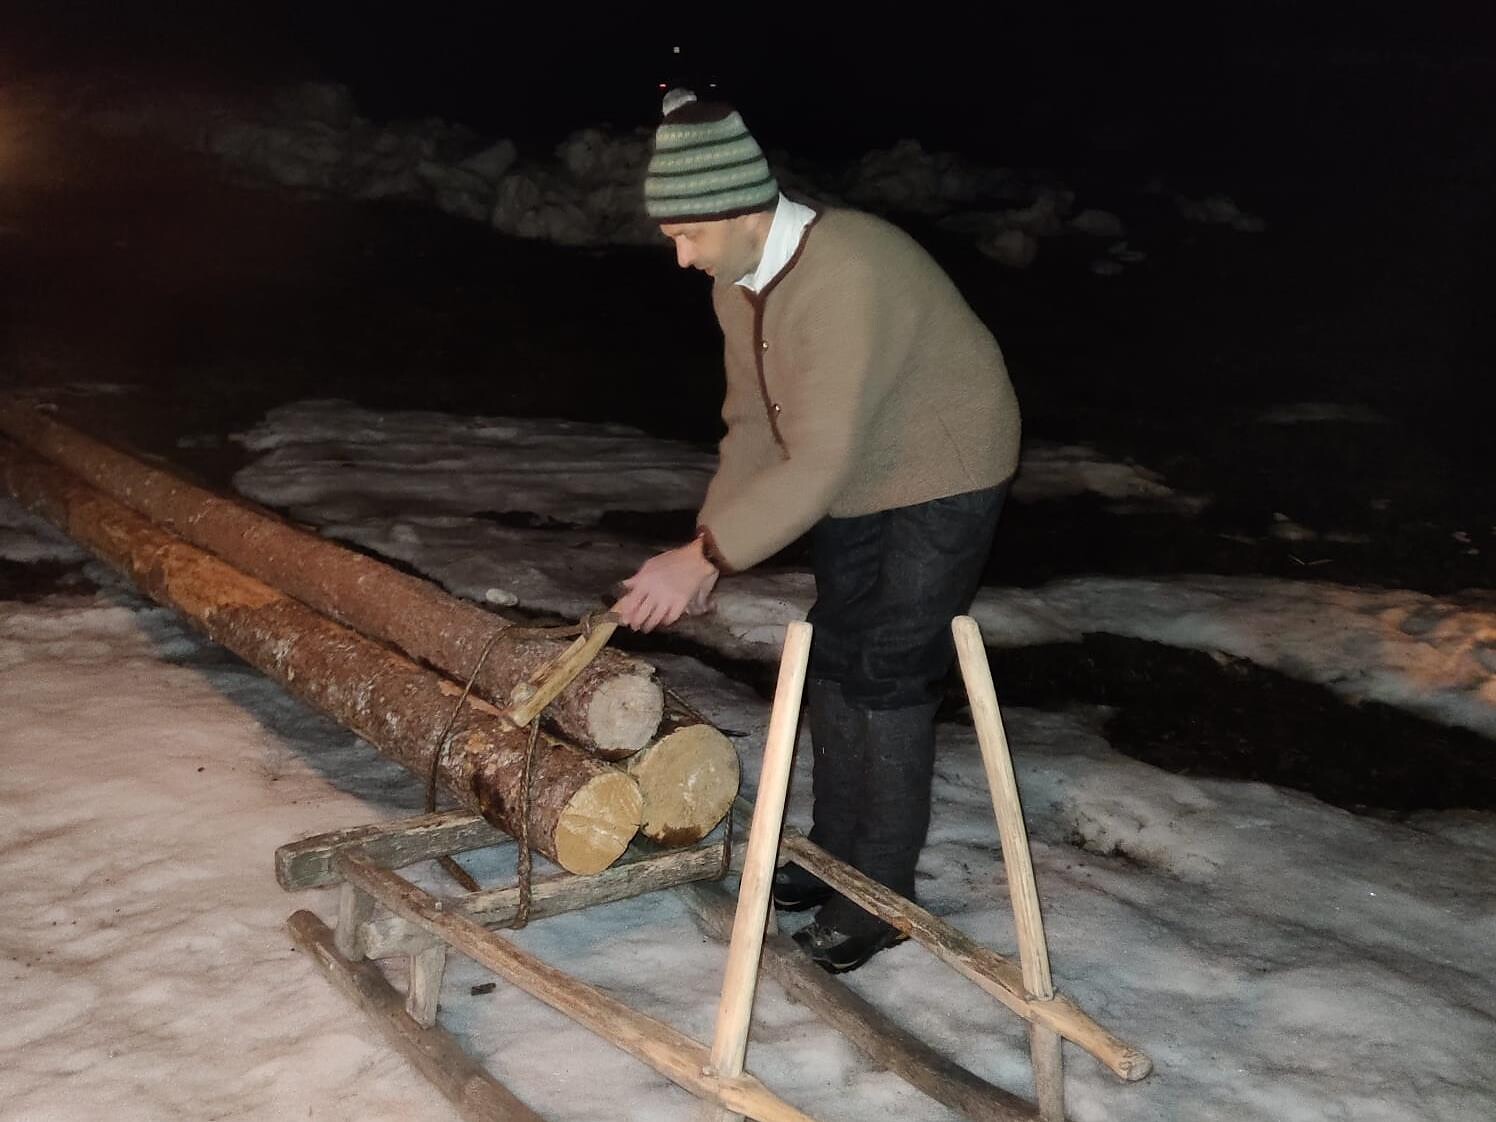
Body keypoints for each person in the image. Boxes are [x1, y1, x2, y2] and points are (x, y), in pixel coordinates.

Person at [614, 89, 1021, 973]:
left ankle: (879, 893)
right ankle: (837, 852)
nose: (682, 258)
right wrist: (709, 543)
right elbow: (754, 428)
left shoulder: (848, 274)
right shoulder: (739, 284)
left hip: (945, 461)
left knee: (889, 666)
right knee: (836, 649)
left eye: (690, 236)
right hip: (856, 459)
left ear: (743, 213)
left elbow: (821, 456)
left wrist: (708, 556)